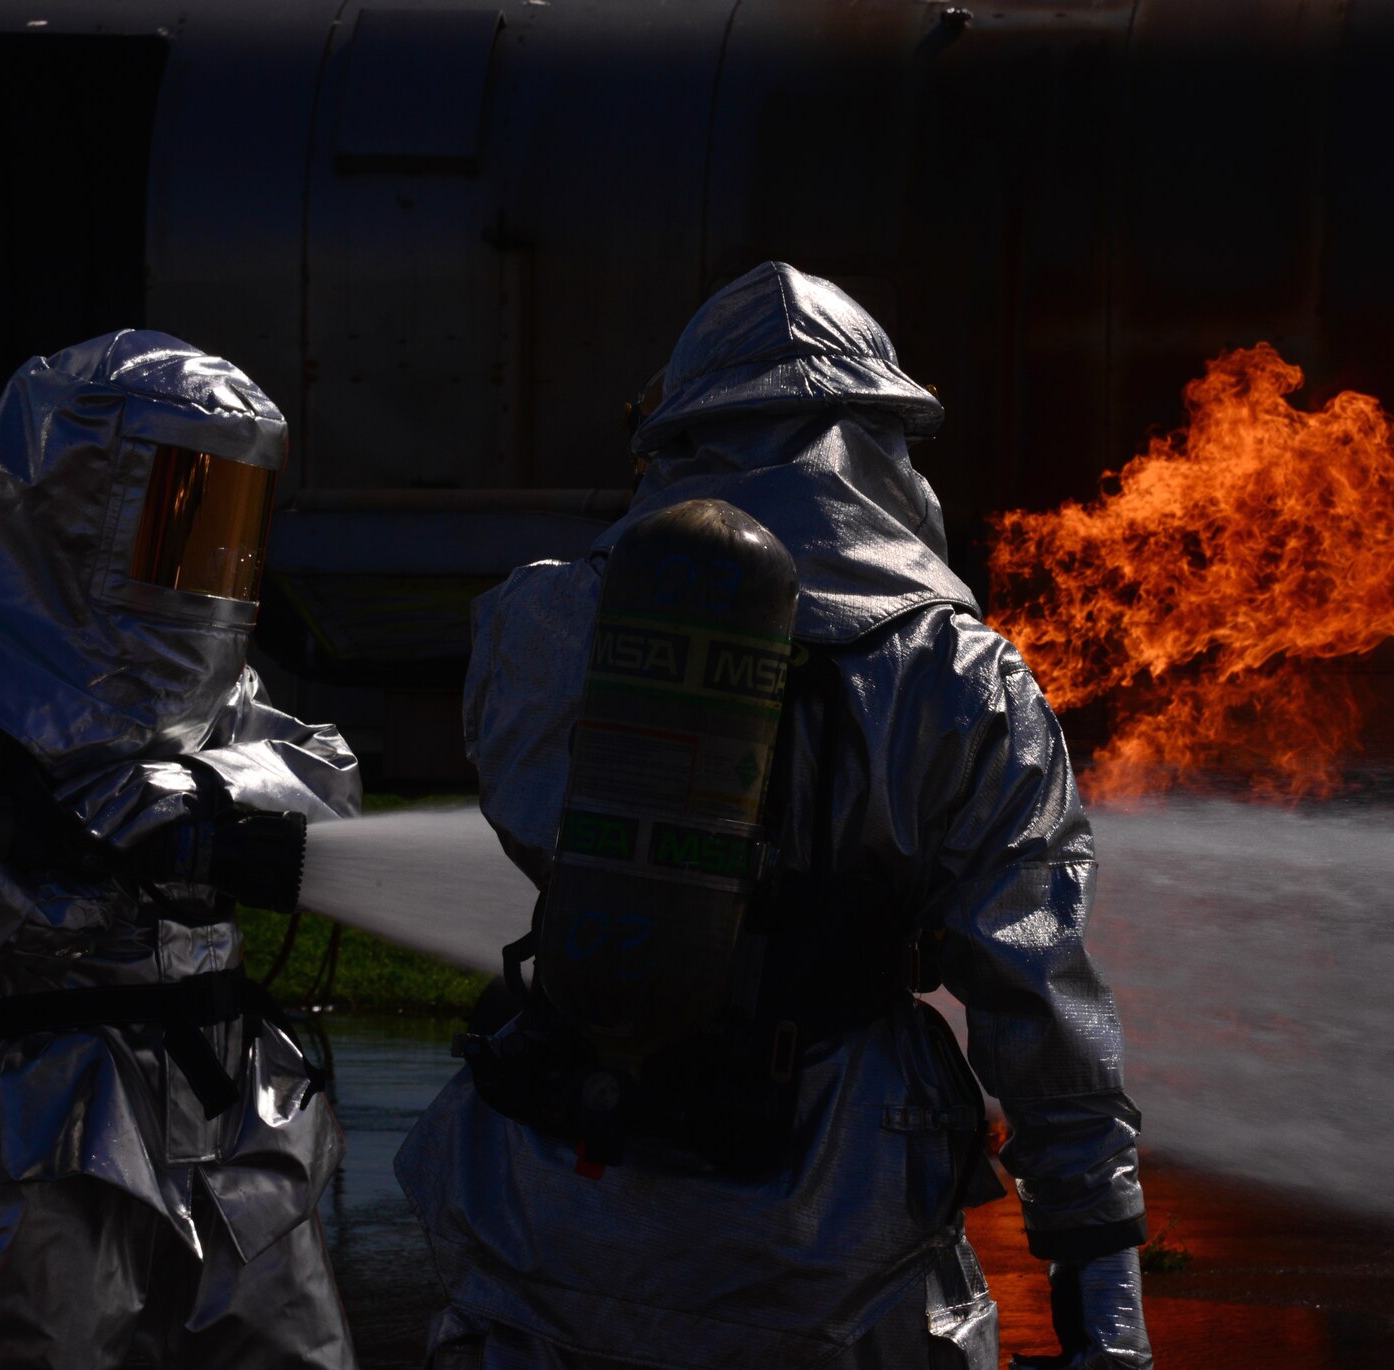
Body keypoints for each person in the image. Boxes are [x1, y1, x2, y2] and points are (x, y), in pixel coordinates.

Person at [395, 263, 1152, 1369]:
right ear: (877, 442)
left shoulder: (541, 620)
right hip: (825, 1227)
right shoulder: (954, 672)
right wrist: (1104, 1302)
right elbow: (1037, 995)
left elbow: (538, 828)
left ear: (682, 434)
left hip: (553, 1206)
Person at [0, 331, 363, 1368]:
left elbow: (330, 779)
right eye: (182, 505)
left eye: (223, 509)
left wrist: (196, 790)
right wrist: (20, 917)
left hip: (234, 1101)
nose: (205, 549)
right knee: (44, 1342)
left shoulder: (210, 680)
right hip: (62, 1096)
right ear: (84, 501)